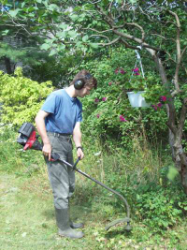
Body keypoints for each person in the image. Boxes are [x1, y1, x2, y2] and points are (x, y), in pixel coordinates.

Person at [35, 70, 97, 239]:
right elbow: (39, 118)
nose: (88, 93)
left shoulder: (77, 104)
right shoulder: (57, 96)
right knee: (61, 188)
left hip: (66, 143)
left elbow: (76, 128)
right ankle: (63, 229)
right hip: (53, 142)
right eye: (88, 89)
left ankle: (66, 221)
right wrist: (46, 143)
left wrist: (79, 146)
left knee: (69, 185)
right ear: (79, 84)